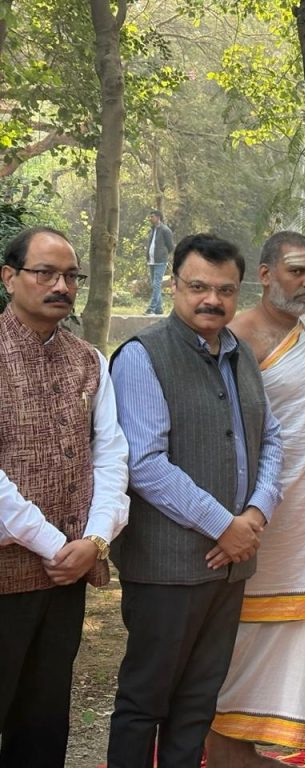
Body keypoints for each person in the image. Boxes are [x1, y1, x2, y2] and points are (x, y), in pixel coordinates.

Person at [107, 233, 284, 767]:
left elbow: (270, 438)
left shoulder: (240, 355)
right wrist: (222, 525)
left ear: (239, 291)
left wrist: (255, 515)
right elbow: (144, 463)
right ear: (174, 284)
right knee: (146, 700)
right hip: (166, 568)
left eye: (225, 289)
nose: (212, 299)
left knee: (197, 703)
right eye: (198, 287)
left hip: (229, 568)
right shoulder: (144, 356)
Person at [206, 232, 305, 765]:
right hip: (265, 524)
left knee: (302, 636)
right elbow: (225, 439)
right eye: (297, 271)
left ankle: (248, 747)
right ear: (266, 274)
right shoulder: (236, 339)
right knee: (249, 639)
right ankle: (224, 746)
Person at [0, 226, 130, 768]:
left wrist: (95, 541)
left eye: (71, 276)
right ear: (9, 278)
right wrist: (59, 545)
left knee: (44, 717)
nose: (61, 285)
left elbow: (112, 457)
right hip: (9, 573)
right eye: (45, 273)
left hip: (68, 576)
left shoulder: (89, 360)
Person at [144, 209, 174, 315]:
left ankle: (151, 308)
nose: (150, 218)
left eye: (152, 216)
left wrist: (163, 255)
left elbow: (171, 246)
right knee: (154, 284)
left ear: (158, 217)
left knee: (157, 284)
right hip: (151, 261)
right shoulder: (152, 230)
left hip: (160, 261)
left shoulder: (165, 230)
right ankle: (159, 309)